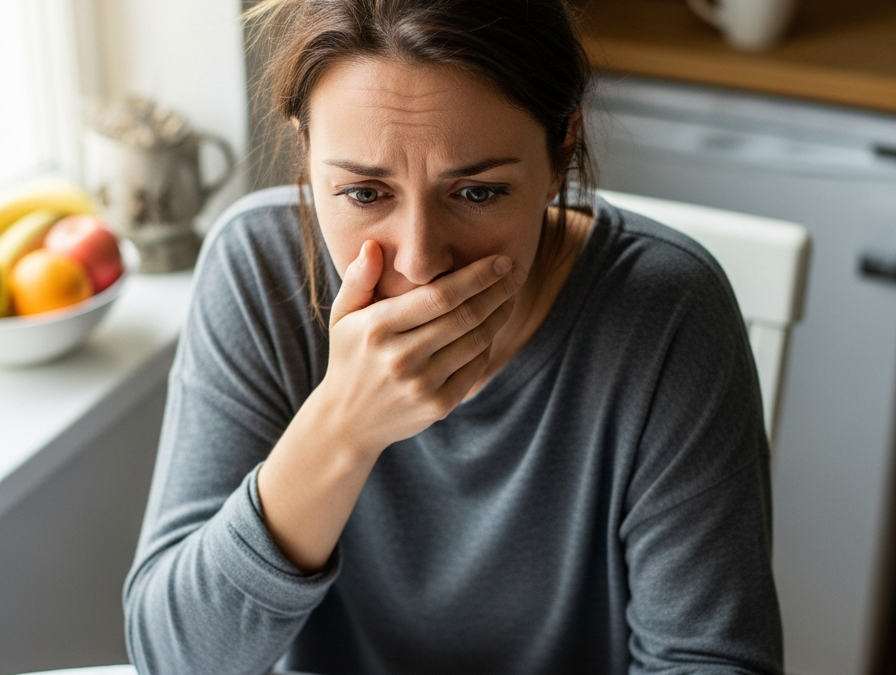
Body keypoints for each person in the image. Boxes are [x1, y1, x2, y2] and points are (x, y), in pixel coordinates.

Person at [124, 1, 783, 673]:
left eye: (476, 193)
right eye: (363, 193)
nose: (420, 260)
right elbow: (174, 658)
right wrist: (341, 429)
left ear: (561, 152)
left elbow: (711, 660)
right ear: (305, 148)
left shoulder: (669, 314)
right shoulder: (256, 272)